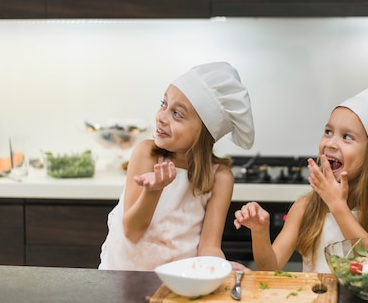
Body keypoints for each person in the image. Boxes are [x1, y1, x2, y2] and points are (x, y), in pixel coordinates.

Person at [234, 80, 368, 273]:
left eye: (347, 137)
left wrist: (337, 205)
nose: (331, 143)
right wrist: (259, 232)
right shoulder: (305, 206)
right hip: (316, 301)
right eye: (328, 132)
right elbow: (269, 268)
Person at [99, 62, 254, 271]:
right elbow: (132, 231)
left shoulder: (220, 177)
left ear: (204, 132)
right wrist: (152, 192)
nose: (161, 117)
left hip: (178, 283)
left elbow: (209, 246)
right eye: (163, 104)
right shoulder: (147, 153)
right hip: (122, 277)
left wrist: (219, 266)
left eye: (177, 114)